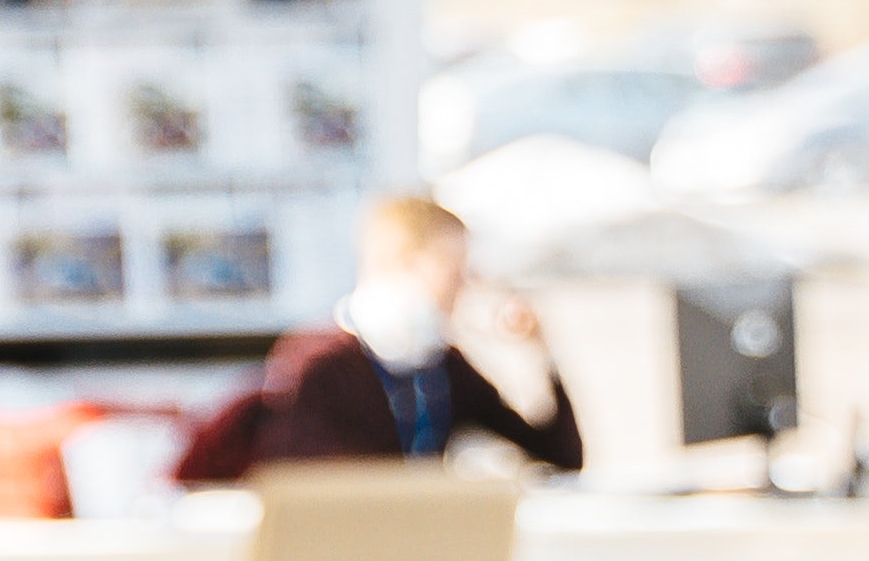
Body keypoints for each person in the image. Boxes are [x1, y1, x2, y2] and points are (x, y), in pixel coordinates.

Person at [173, 191, 585, 482]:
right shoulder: (320, 363)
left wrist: (541, 356)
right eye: (454, 270)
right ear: (405, 262)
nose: (464, 287)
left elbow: (562, 457)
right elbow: (310, 483)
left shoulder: (441, 369)